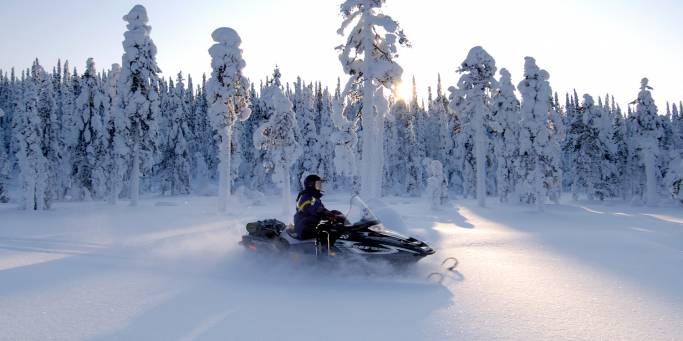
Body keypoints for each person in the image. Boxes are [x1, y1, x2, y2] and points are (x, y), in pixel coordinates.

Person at [293, 174, 331, 239]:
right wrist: (321, 211)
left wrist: (329, 213)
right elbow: (308, 210)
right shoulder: (306, 197)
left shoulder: (314, 197)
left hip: (309, 224)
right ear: (311, 185)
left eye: (320, 184)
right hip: (303, 227)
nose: (320, 186)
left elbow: (319, 207)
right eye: (318, 184)